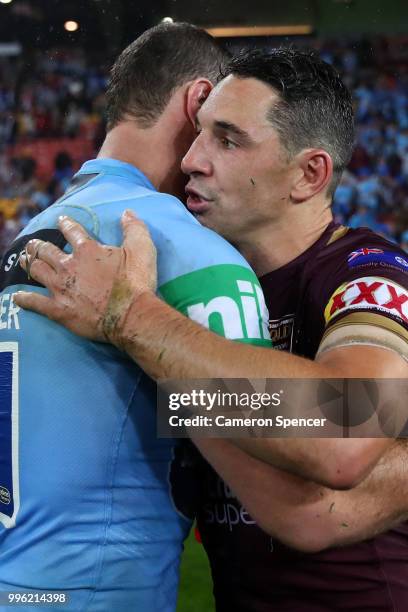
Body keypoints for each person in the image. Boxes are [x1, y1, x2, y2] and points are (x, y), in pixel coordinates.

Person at [17, 47, 408, 611]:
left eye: (228, 140)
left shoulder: (370, 273)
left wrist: (131, 318)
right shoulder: (215, 278)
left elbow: (339, 434)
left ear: (308, 174)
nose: (193, 159)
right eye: (198, 133)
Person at [0, 24, 273, 612]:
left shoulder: (31, 235)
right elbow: (276, 436)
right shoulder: (175, 242)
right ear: (200, 103)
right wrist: (380, 406)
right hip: (104, 591)